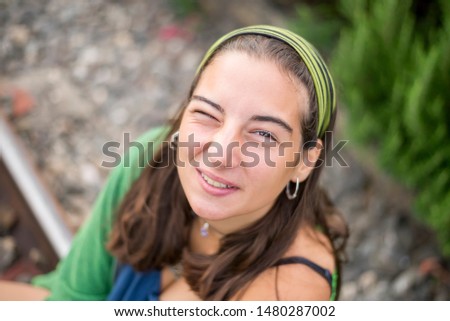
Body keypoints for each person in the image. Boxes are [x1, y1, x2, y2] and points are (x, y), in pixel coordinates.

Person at [2, 25, 348, 301]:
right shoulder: (153, 154)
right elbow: (74, 297)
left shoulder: (289, 288)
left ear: (305, 161)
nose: (218, 153)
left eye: (264, 135)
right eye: (208, 113)